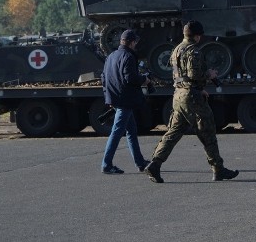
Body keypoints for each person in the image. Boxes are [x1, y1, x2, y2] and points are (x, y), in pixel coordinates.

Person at [144, 21, 239, 183]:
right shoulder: (194, 51)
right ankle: (218, 169)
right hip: (192, 98)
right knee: (208, 132)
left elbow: (180, 76)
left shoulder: (176, 50)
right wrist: (209, 75)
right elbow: (194, 75)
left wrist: (197, 87)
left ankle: (155, 164)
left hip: (179, 95)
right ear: (197, 35)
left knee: (173, 132)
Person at [100, 29, 152, 174]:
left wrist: (108, 98)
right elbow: (130, 78)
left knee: (131, 131)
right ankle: (106, 164)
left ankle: (140, 163)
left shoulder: (111, 56)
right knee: (117, 132)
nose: (136, 44)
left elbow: (104, 78)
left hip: (116, 99)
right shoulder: (128, 56)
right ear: (132, 42)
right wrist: (144, 79)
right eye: (135, 42)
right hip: (125, 100)